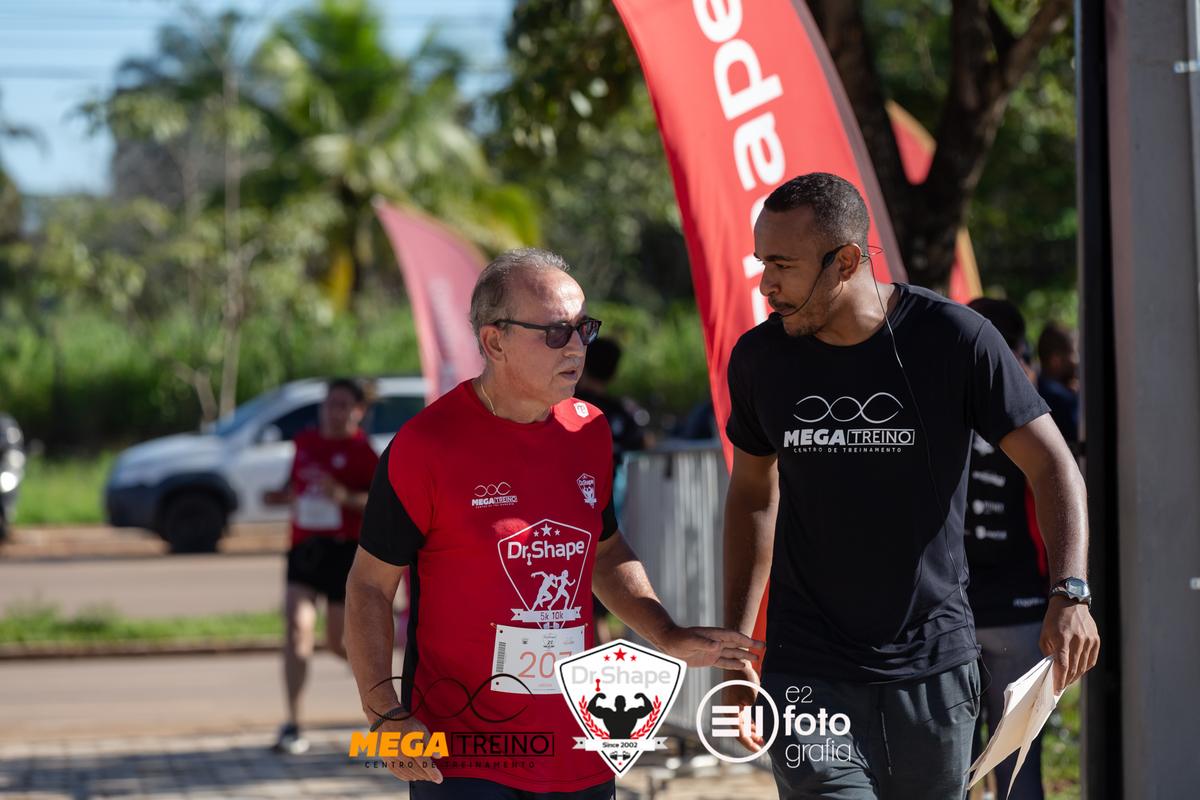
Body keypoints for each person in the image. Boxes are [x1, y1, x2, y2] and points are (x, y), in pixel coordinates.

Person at [720, 173, 1099, 800]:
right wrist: (736, 648)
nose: (767, 286)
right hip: (807, 667)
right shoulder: (761, 358)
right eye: (763, 264)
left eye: (782, 265)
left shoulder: (955, 338)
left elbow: (1054, 465)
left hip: (935, 670)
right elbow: (753, 497)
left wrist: (1071, 593)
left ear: (845, 261)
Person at [344, 247, 764, 799]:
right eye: (555, 333)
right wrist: (384, 716)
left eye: (583, 329)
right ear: (494, 341)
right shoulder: (425, 446)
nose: (577, 348)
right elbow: (370, 586)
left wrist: (666, 632)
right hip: (463, 752)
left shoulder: (588, 431)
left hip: (579, 748)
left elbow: (605, 551)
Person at [964, 298, 1052, 800]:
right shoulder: (1039, 413)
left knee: (947, 766)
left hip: (952, 614)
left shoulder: (939, 402)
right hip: (1022, 615)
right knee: (1020, 771)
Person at [264, 378, 380, 755]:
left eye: (343, 405)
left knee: (336, 642)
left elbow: (380, 507)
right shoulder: (305, 443)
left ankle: (367, 670)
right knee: (297, 630)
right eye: (329, 404)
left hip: (345, 552)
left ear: (358, 411)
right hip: (304, 548)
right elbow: (291, 485)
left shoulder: (364, 452)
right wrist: (280, 495)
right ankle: (292, 724)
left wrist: (344, 497)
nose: (334, 411)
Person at [573, 336, 645, 644]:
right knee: (597, 604)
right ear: (614, 374)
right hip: (609, 510)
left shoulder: (566, 408)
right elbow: (641, 446)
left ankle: (591, 675)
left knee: (580, 600)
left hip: (568, 511)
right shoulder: (620, 414)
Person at [1036, 322, 1079, 442]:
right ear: (1056, 360)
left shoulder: (1034, 392)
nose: (1078, 359)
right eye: (1074, 352)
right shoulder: (1063, 401)